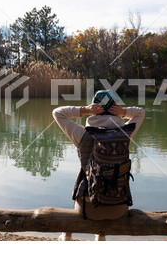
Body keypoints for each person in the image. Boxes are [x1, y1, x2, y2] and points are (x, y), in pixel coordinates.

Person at [52, 90, 145, 241]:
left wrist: (85, 110)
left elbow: (58, 112)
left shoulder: (82, 134)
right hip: (119, 208)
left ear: (94, 109)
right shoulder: (125, 133)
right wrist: (124, 112)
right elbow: (140, 113)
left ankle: (66, 235)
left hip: (89, 210)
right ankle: (101, 235)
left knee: (84, 180)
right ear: (116, 108)